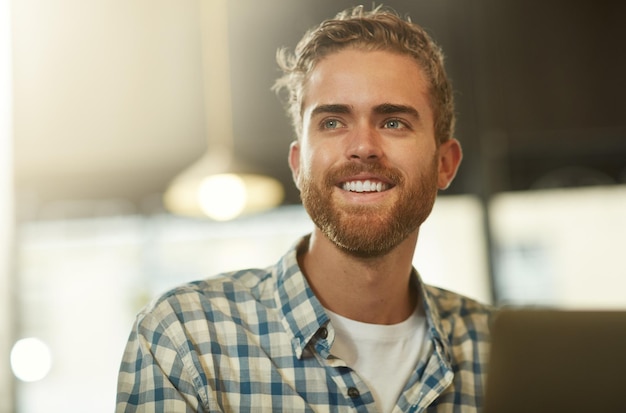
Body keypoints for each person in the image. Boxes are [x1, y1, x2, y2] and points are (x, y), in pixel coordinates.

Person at [116, 5, 493, 412]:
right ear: (298, 165)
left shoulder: (499, 351)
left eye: (393, 122)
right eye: (333, 122)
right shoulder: (186, 339)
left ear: (445, 164)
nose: (363, 146)